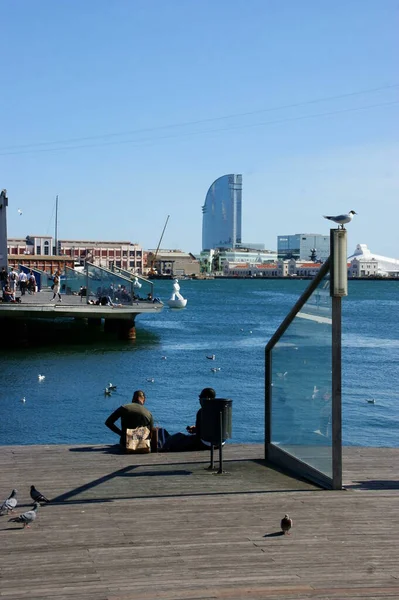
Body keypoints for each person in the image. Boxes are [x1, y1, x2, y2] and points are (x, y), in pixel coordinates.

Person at [162, 387, 217, 452]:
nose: (199, 400)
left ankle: (163, 449)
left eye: (200, 397)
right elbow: (211, 428)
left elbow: (198, 436)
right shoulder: (219, 410)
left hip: (204, 444)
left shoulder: (202, 411)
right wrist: (196, 429)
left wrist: (195, 431)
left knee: (177, 437)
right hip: (219, 444)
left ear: (206, 398)